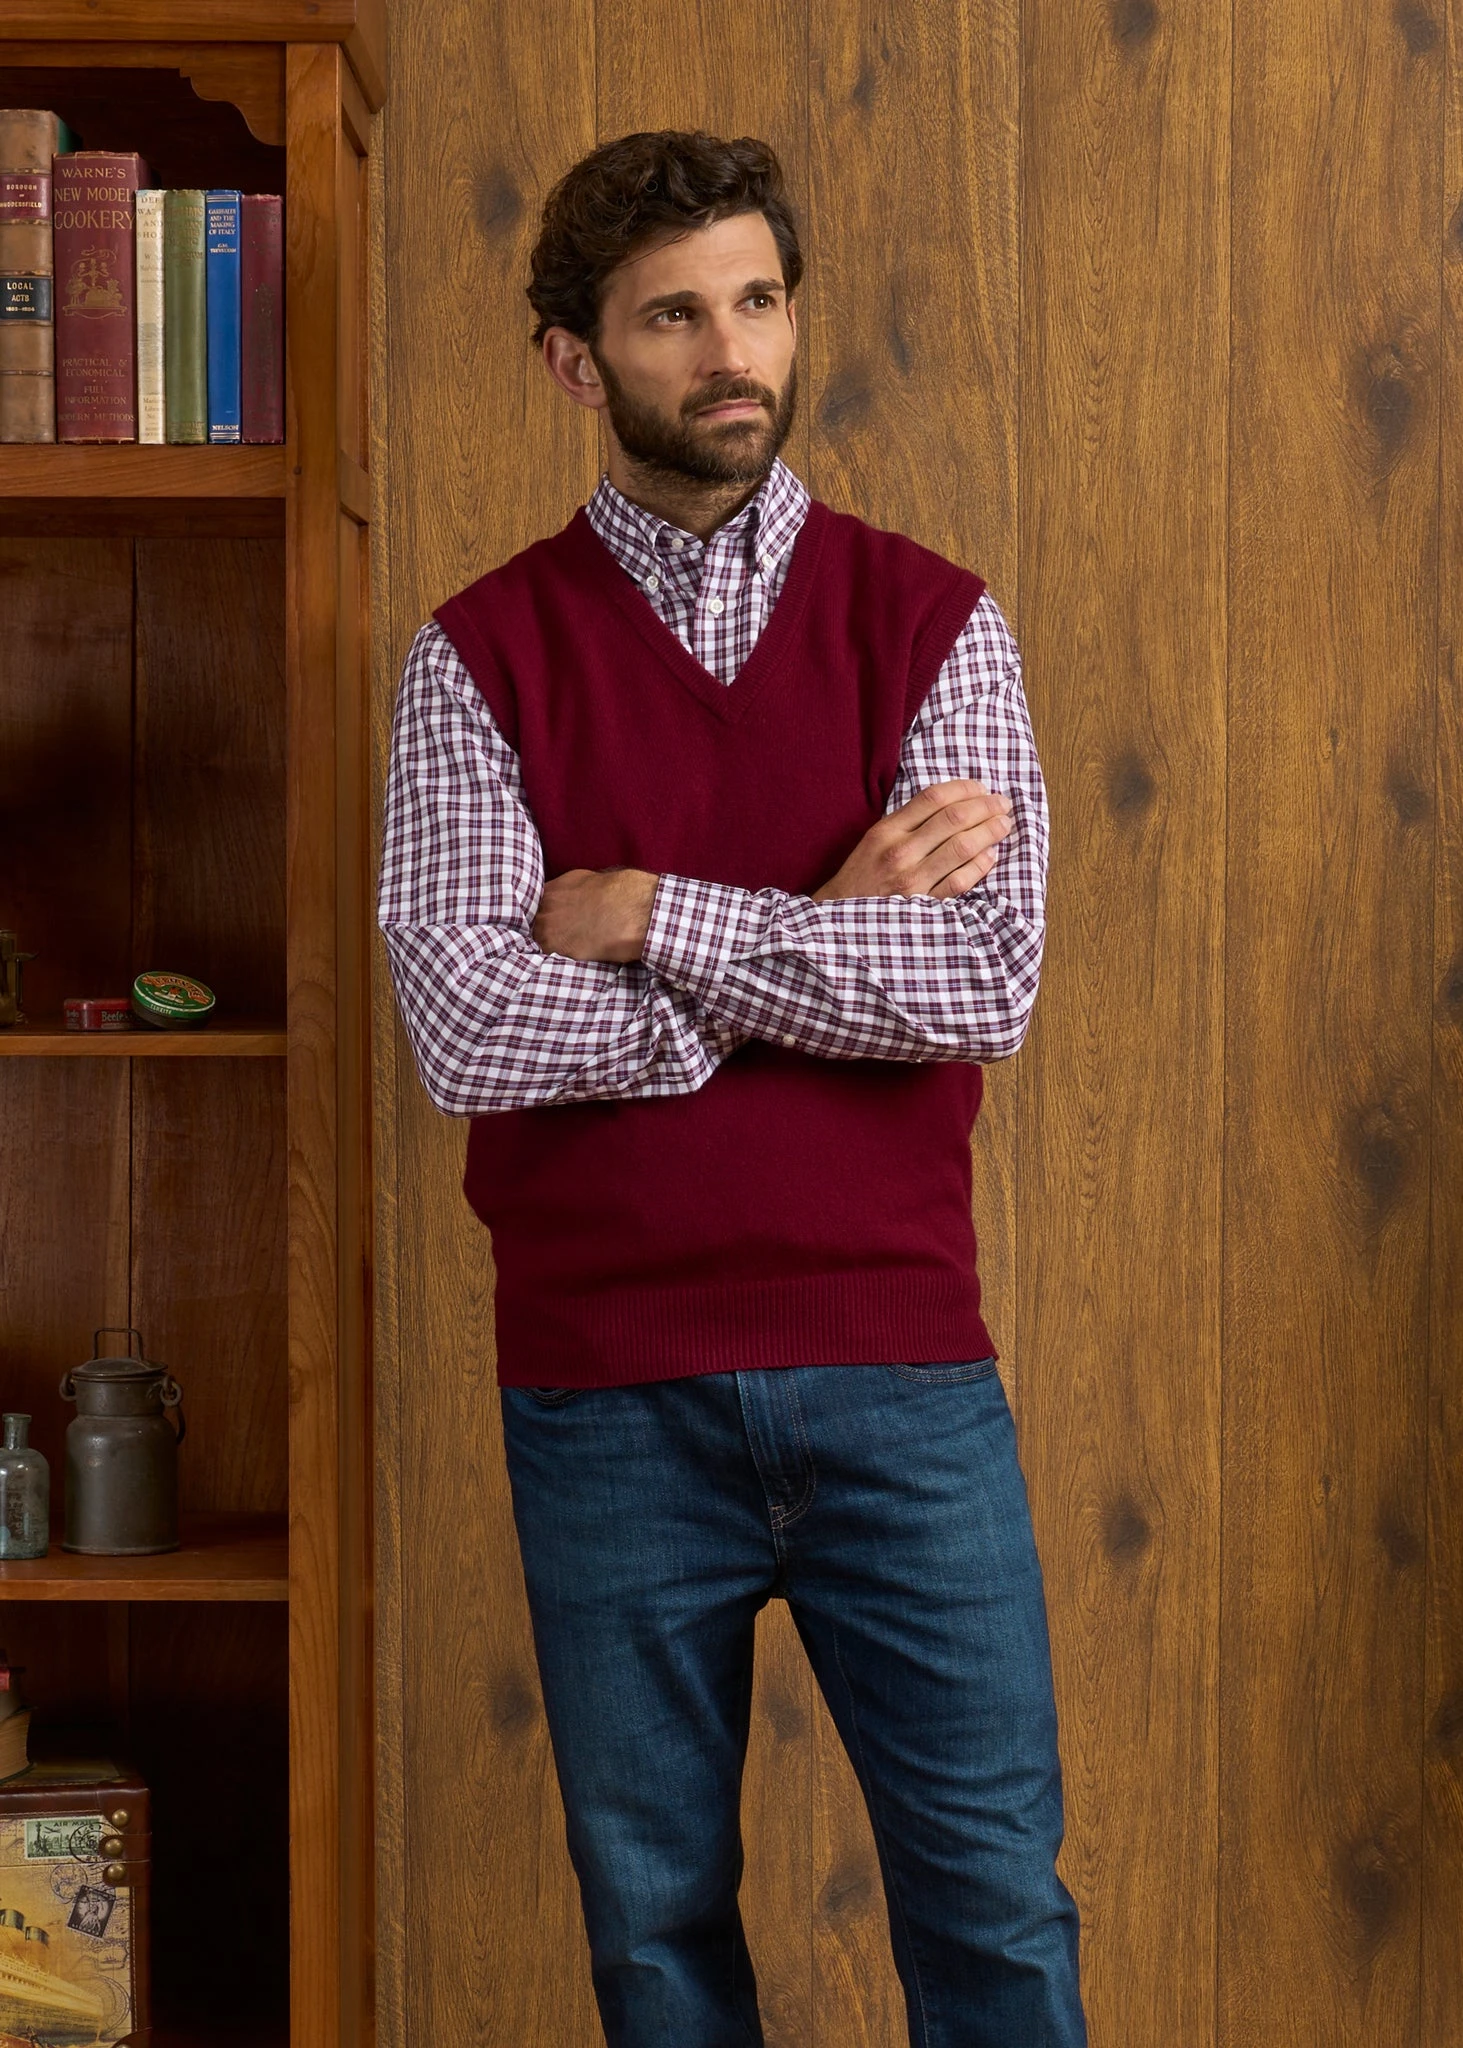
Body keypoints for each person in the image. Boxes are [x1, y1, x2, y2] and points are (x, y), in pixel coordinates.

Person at [379, 128, 1087, 2048]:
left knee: (993, 1911)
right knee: (655, 1938)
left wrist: (650, 917)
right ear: (574, 359)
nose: (730, 353)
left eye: (757, 301)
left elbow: (978, 979)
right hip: (603, 1391)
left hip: (899, 1371)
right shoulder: (474, 660)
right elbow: (470, 1026)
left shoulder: (932, 623)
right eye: (672, 316)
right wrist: (814, 930)